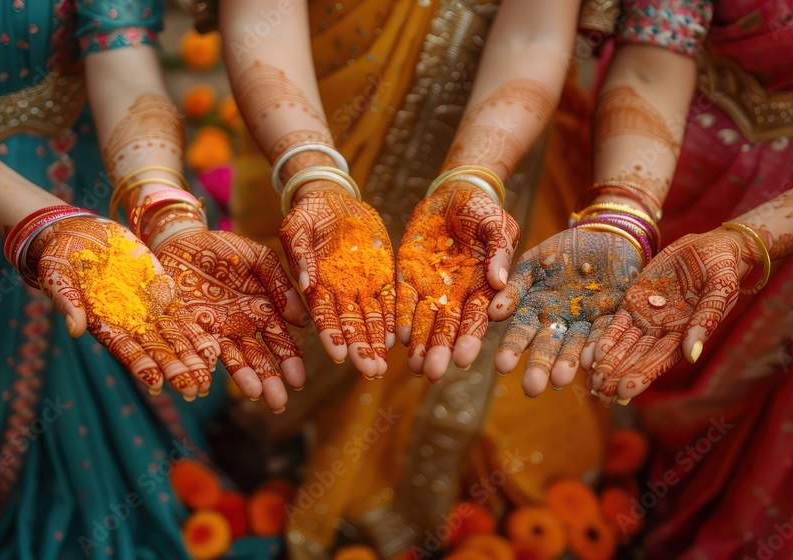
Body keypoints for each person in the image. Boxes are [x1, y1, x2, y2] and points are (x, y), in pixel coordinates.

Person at [188, 0, 613, 556]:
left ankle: (471, 514)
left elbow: (536, 33)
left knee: (489, 341)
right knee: (315, 309)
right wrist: (314, 177)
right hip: (317, 109)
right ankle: (298, 461)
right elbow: (261, 21)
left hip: (509, 133)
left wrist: (476, 178)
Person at [0, 1, 302, 557]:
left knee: (137, 349)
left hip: (94, 172)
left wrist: (167, 215)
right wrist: (47, 228)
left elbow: (125, 62)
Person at [496, 0, 793, 557]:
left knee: (766, 406)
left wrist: (746, 242)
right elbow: (657, 53)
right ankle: (616, 481)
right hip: (662, 155)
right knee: (616, 351)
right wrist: (620, 213)